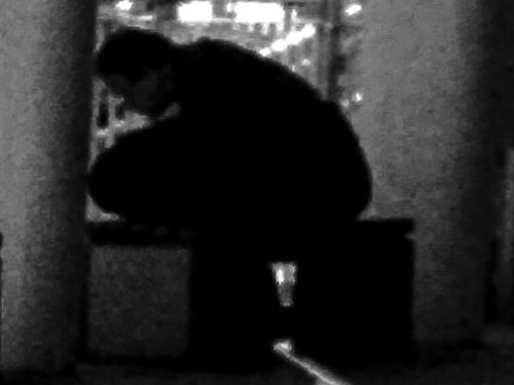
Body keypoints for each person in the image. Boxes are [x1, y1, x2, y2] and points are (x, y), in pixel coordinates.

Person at [88, 20, 372, 365]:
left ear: (151, 72)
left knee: (116, 174)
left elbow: (216, 157)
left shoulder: (212, 89)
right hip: (326, 183)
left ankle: (240, 331)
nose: (128, 106)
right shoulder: (212, 73)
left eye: (126, 93)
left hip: (318, 189)